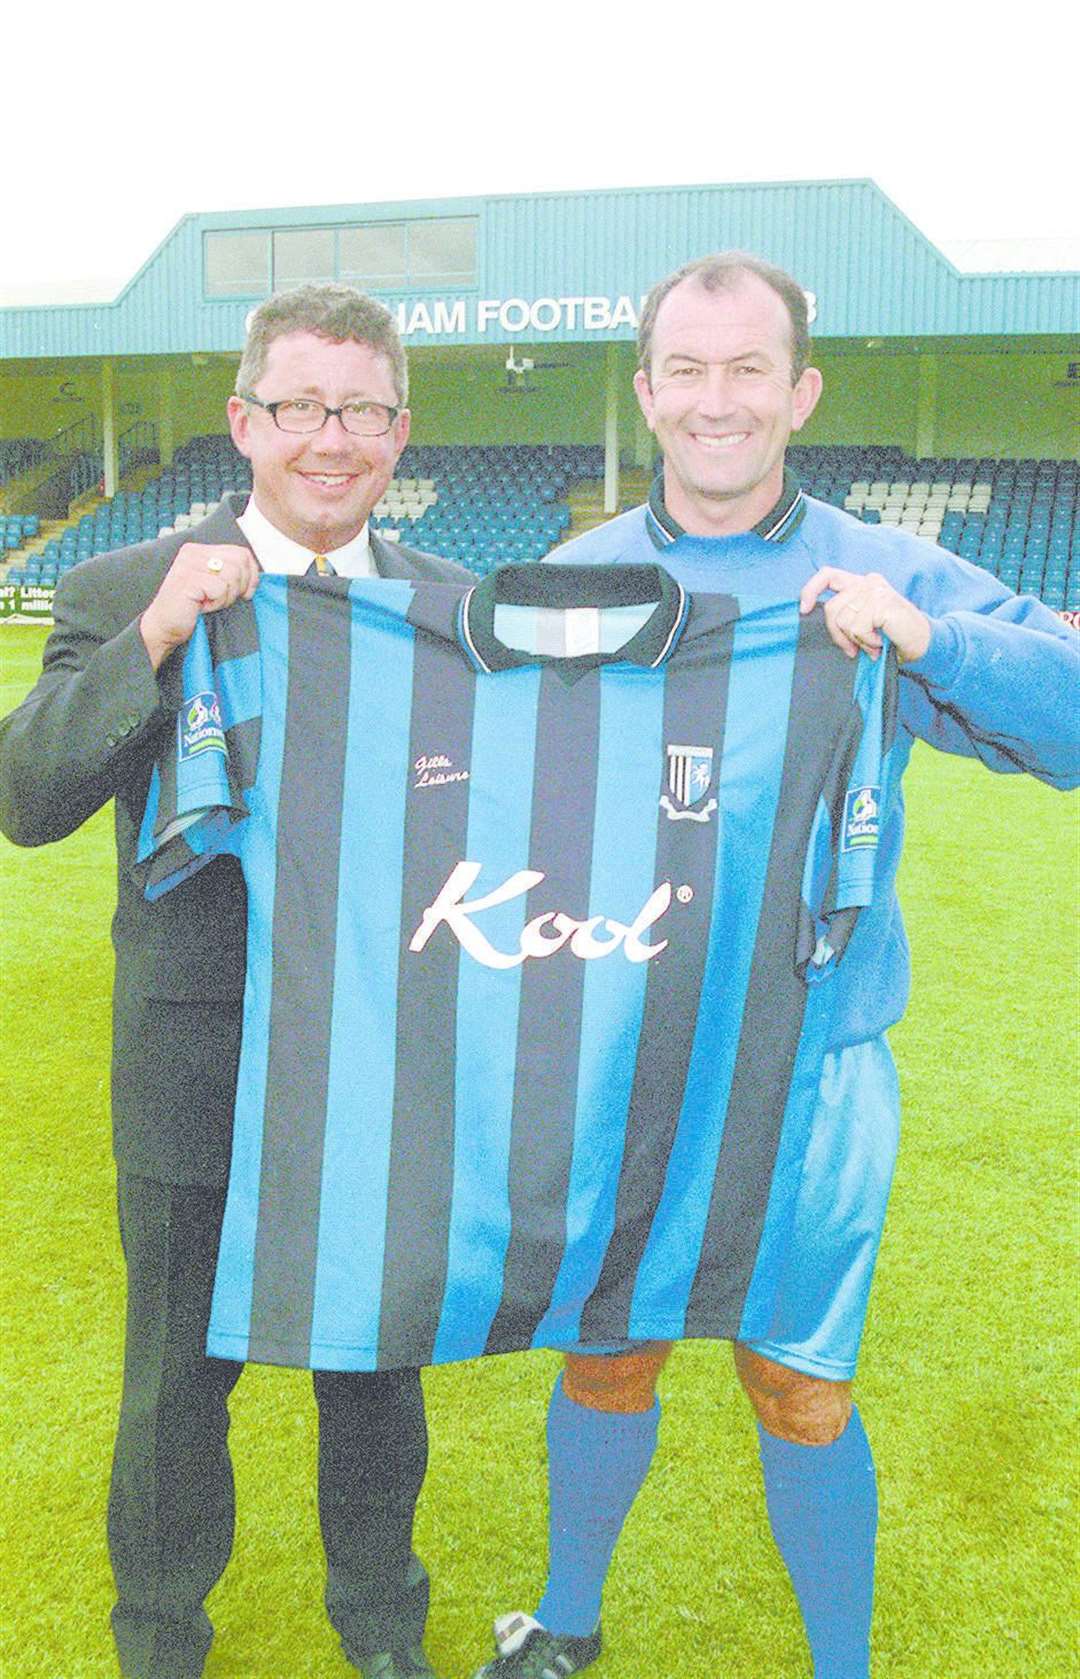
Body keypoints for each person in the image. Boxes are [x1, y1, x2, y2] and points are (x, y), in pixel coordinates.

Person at [468, 252, 1079, 1679]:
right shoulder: (573, 579)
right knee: (606, 1352)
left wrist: (928, 642)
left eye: (749, 369)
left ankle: (841, 1669)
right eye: (688, 369)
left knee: (798, 1385)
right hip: (624, 1058)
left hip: (812, 1072)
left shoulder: (884, 571)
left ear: (800, 392)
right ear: (646, 392)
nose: (717, 400)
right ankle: (563, 1623)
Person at [0, 283, 473, 1679]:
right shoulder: (116, 585)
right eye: (301, 407)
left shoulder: (456, 611)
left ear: (399, 429)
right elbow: (27, 796)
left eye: (363, 411)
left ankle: (382, 1628)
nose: (333, 439)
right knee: (174, 1390)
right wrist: (156, 634)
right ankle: (159, 1643)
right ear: (244, 421)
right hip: (196, 1061)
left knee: (377, 1367)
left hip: (390, 1062)